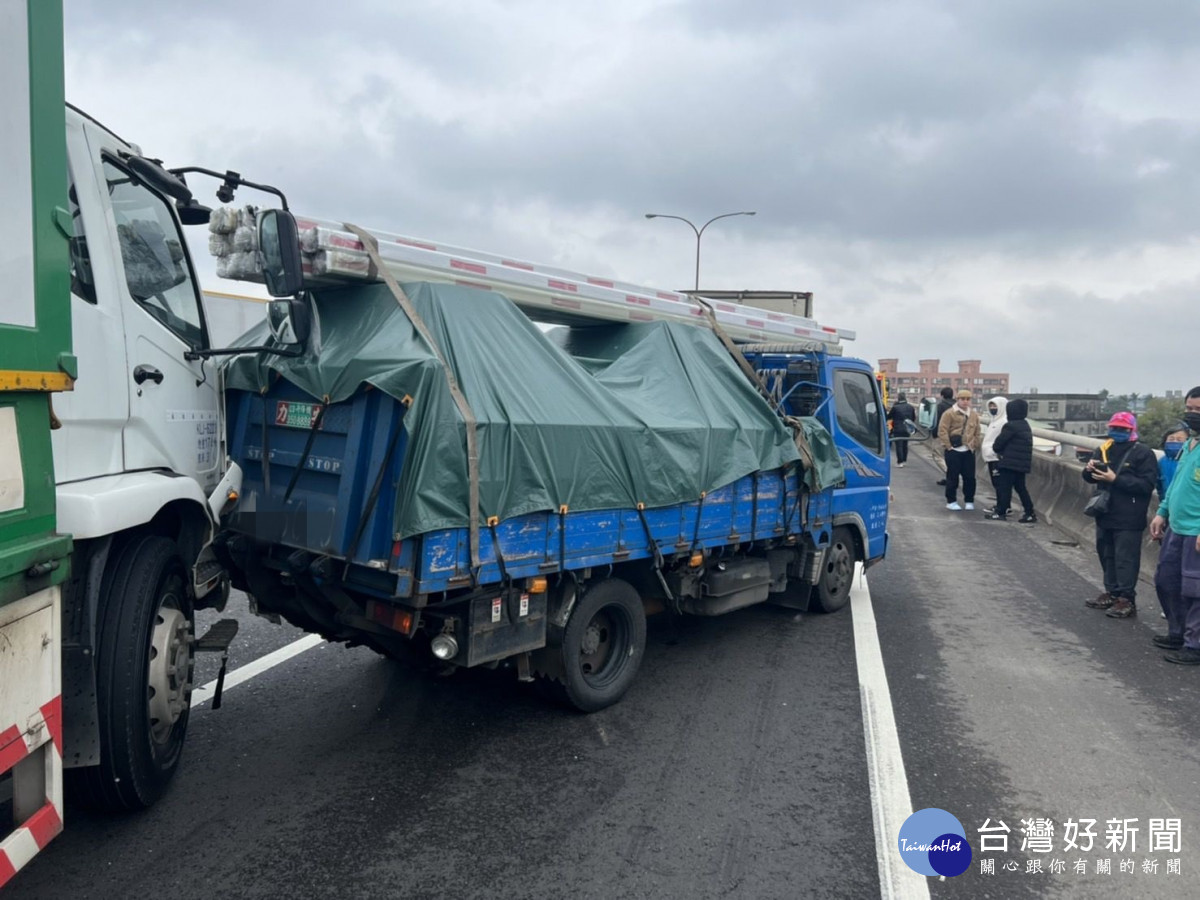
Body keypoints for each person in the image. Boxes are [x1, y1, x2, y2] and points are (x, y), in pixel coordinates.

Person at [1081, 411, 1158, 618]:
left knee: (1126, 558)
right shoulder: (1104, 449)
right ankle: (1112, 592)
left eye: (1123, 429)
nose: (1117, 432)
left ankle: (1126, 598)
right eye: (1114, 428)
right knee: (1106, 553)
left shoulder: (1143, 453)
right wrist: (1089, 470)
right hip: (1105, 511)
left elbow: (1146, 485)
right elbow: (1089, 478)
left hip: (1129, 515)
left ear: (1132, 430)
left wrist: (1116, 479)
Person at [1149, 388, 1200, 664]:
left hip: (1196, 531)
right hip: (1176, 527)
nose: (1192, 416)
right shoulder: (1189, 444)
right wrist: (1161, 512)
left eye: (1198, 411)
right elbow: (1177, 485)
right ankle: (1178, 632)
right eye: (1189, 409)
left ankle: (1195, 645)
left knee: (1195, 590)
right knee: (1167, 581)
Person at [983, 398, 1036, 522]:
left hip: (1009, 463)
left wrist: (999, 451)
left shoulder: (1010, 426)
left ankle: (1001, 512)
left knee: (1004, 488)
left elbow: (998, 444)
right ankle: (1030, 513)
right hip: (1022, 463)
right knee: (1021, 488)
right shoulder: (1025, 425)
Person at [938, 389, 981, 510]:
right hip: (954, 450)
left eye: (968, 399)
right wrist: (948, 446)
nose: (965, 402)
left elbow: (977, 431)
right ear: (958, 400)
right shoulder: (949, 413)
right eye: (963, 399)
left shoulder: (973, 415)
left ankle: (969, 500)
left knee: (970, 478)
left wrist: (974, 444)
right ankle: (951, 501)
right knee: (953, 477)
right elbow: (943, 430)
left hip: (968, 450)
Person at [980, 396, 1008, 498]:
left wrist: (994, 451)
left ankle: (1003, 507)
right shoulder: (994, 420)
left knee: (1000, 483)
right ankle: (999, 505)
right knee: (995, 483)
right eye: (990, 405)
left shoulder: (1004, 422)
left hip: (996, 457)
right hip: (990, 457)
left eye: (994, 406)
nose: (992, 408)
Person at [1157, 422, 1189, 500]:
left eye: (1179, 440)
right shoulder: (1162, 462)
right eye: (1171, 439)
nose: (1175, 442)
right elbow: (1159, 486)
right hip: (1167, 504)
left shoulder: (1191, 460)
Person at [933, 386, 955, 486]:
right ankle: (950, 476)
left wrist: (934, 433)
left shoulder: (940, 406)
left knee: (937, 455)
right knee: (950, 457)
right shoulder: (957, 406)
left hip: (942, 435)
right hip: (955, 435)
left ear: (942, 396)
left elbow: (936, 421)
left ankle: (950, 475)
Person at [888, 392, 916, 467]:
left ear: (898, 398)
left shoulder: (895, 407)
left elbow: (889, 416)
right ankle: (904, 460)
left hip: (898, 428)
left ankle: (900, 462)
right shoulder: (911, 407)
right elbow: (913, 418)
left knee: (899, 445)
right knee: (905, 445)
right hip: (907, 429)